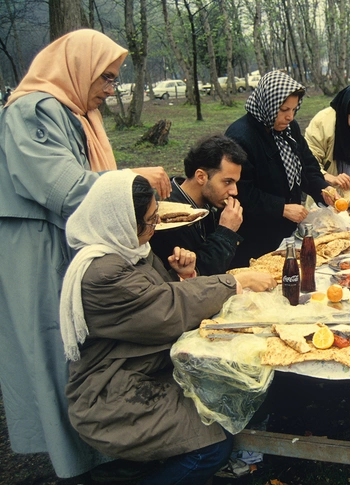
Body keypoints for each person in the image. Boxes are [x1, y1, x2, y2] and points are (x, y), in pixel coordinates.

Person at [0, 29, 170, 479]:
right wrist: (133, 180)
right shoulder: (31, 110)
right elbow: (64, 187)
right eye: (107, 78)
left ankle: (102, 441)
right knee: (58, 343)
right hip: (39, 250)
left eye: (115, 80)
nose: (110, 89)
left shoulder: (78, 112)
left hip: (70, 242)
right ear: (78, 68)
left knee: (84, 339)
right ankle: (74, 457)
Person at [60, 171, 276, 485]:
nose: (156, 226)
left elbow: (161, 299)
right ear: (120, 220)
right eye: (150, 221)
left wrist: (186, 277)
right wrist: (234, 282)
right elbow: (165, 310)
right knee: (211, 446)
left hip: (145, 373)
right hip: (112, 395)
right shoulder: (101, 272)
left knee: (233, 393)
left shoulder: (129, 249)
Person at [225, 70, 336, 268]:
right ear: (268, 103)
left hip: (286, 232)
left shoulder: (289, 129)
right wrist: (281, 208)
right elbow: (241, 192)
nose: (289, 117)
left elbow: (307, 165)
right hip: (255, 237)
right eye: (283, 110)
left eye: (293, 110)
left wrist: (322, 190)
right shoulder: (240, 137)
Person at [151, 134, 251, 275]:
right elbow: (199, 275)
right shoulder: (167, 219)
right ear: (201, 177)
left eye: (236, 182)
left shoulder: (206, 204)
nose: (234, 191)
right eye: (227, 182)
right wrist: (226, 231)